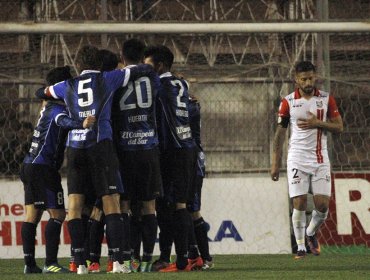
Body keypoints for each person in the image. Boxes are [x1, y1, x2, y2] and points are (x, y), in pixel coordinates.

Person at [38, 45, 155, 274]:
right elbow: (138, 70)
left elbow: (41, 92)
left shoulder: (67, 85)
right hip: (101, 145)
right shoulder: (108, 78)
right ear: (98, 65)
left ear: (78, 65)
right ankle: (119, 262)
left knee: (75, 206)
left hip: (75, 148)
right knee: (111, 203)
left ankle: (79, 263)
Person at [21, 66, 96, 274]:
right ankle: (50, 263)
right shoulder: (57, 110)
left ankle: (29, 264)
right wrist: (81, 123)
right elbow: (62, 121)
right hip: (43, 168)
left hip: (30, 165)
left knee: (32, 216)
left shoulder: (46, 107)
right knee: (58, 214)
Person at [270, 61, 343, 259]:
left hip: (320, 158)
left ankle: (311, 233)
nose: (308, 82)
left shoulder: (326, 99)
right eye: (304, 79)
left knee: (322, 206)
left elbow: (339, 127)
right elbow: (279, 134)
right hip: (297, 158)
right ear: (296, 80)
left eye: (311, 78)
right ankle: (300, 246)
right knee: (299, 202)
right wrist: (275, 163)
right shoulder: (288, 101)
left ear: (315, 77)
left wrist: (317, 123)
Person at [143, 45, 197, 272]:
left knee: (166, 206)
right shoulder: (181, 83)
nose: (145, 70)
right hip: (187, 147)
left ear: (159, 65)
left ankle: (171, 259)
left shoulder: (159, 86)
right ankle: (184, 258)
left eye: (147, 66)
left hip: (169, 151)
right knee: (181, 204)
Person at [112, 38, 162, 273]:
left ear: (122, 57)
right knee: (148, 206)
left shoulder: (115, 78)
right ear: (143, 57)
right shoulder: (151, 77)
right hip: (149, 148)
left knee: (124, 205)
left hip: (125, 150)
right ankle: (147, 260)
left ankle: (128, 257)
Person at [186, 94, 213, 270]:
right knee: (188, 210)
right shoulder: (190, 104)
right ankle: (196, 256)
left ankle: (204, 258)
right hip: (191, 160)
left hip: (192, 161)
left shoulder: (190, 107)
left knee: (192, 210)